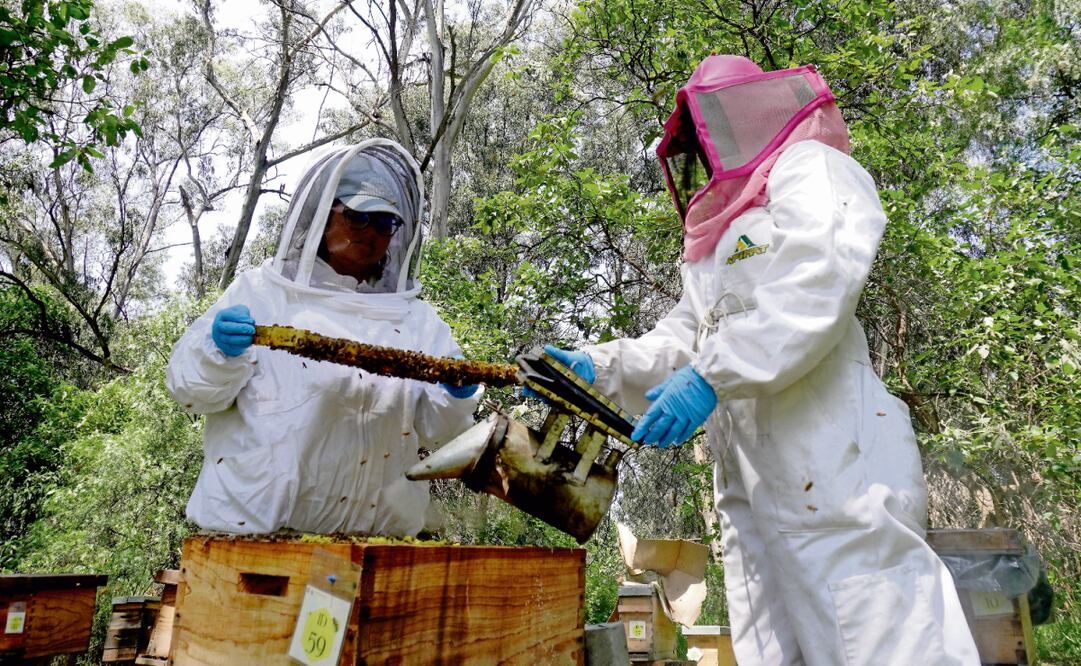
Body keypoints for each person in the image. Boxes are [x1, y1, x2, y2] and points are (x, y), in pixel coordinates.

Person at [543, 56, 980, 664]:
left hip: (832, 464)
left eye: (710, 130)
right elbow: (686, 335)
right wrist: (601, 366)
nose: (706, 149)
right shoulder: (714, 241)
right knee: (769, 647)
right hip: (749, 485)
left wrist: (711, 375)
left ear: (750, 112)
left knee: (879, 636)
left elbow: (819, 277)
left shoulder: (811, 168)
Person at [166, 140, 480, 536]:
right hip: (255, 541)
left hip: (376, 544)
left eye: (386, 224)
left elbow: (442, 432)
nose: (373, 234)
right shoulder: (262, 293)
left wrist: (456, 394)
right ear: (323, 216)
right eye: (358, 218)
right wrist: (217, 352)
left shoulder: (418, 320)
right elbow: (192, 391)